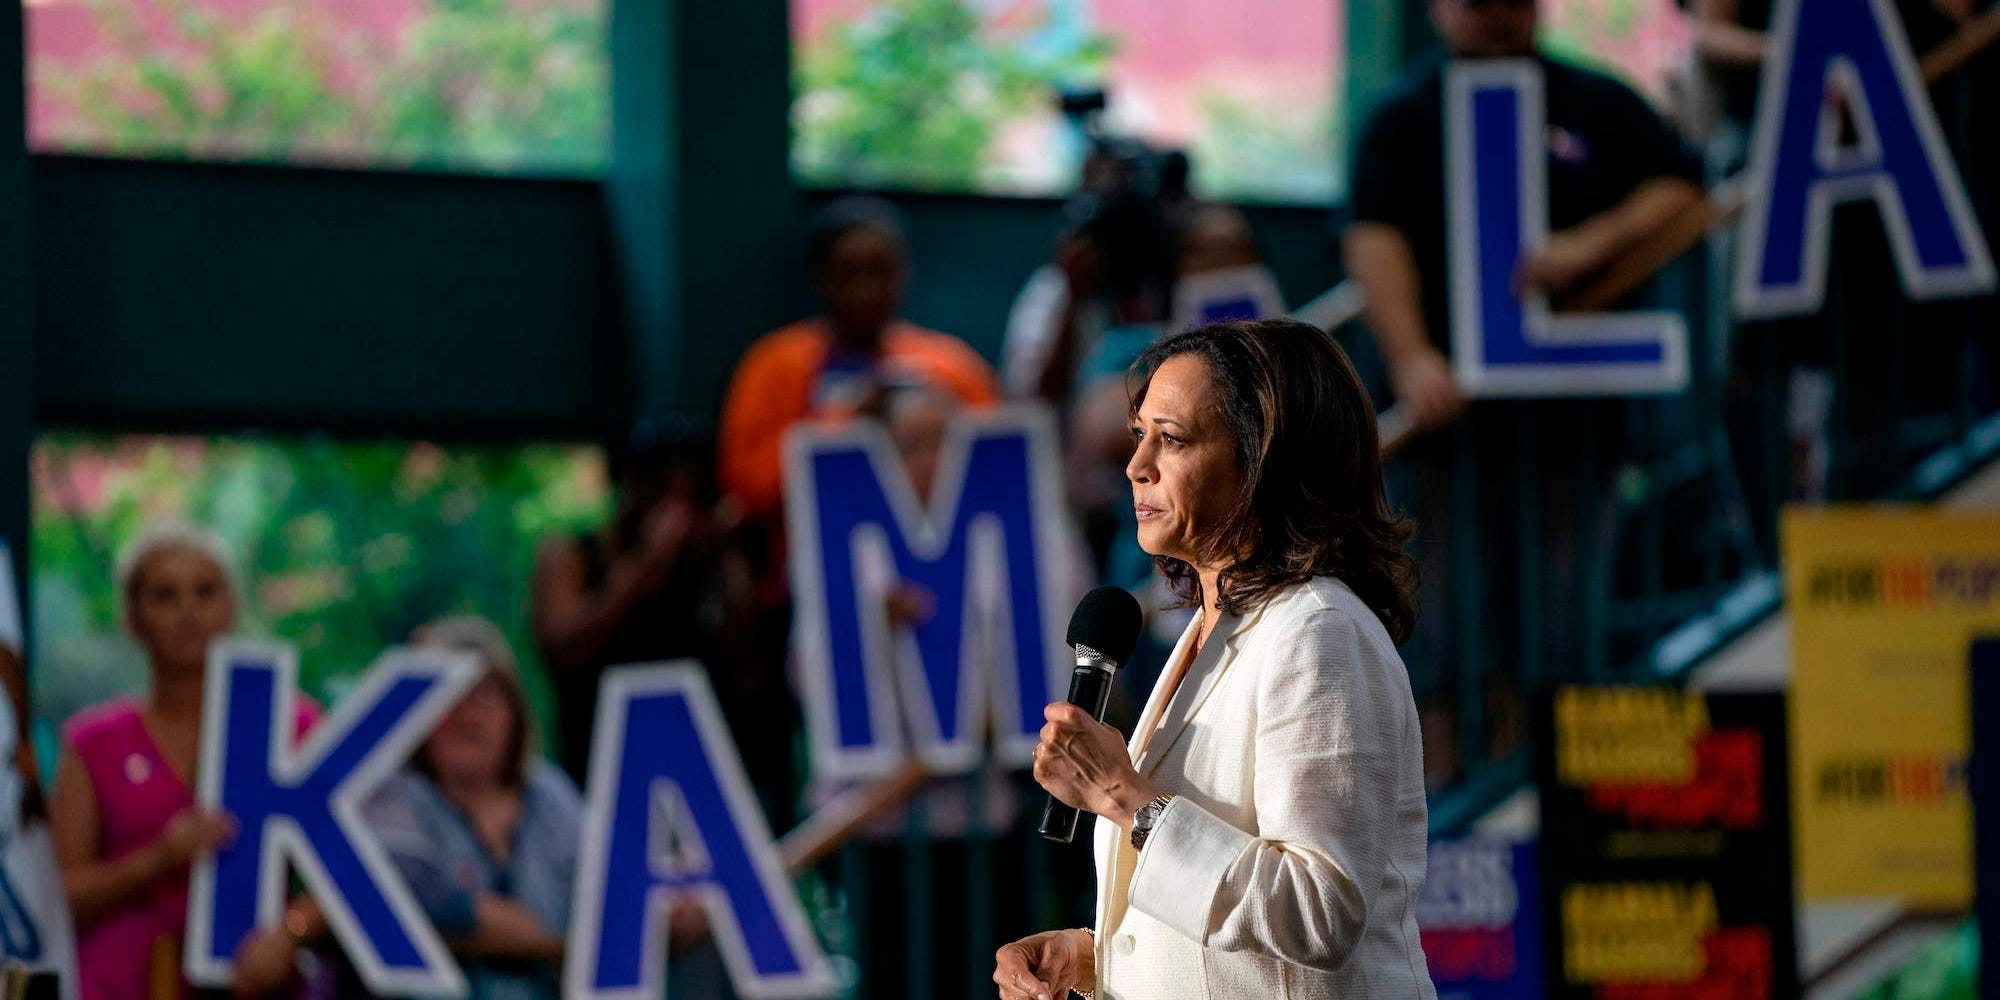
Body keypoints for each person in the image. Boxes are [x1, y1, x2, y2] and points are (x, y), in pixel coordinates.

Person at [994, 319, 1434, 1000]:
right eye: (1139, 435)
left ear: (1264, 462)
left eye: (1171, 439)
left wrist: (1122, 796)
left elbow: (1319, 913)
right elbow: (1224, 922)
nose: (1137, 465)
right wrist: (1093, 959)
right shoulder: (1212, 631)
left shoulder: (1318, 631)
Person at [1341, 0, 1706, 775]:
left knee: (1559, 637)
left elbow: (1680, 187)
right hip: (1447, 434)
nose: (1494, 15)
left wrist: (1587, 247)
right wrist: (1411, 358)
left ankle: (1533, 808)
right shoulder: (1404, 117)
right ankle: (1447, 825)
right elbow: (1375, 240)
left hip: (1572, 423)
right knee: (1435, 634)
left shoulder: (1597, 102)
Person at [48, 523, 316, 1000]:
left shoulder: (293, 724)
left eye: (206, 591)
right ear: (133, 618)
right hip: (118, 984)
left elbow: (363, 870)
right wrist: (159, 859)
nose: (189, 611)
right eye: (165, 595)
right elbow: (57, 898)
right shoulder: (94, 742)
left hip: (258, 982)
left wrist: (293, 931)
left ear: (232, 605)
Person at [328, 616, 582, 1000]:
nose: (467, 712)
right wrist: (556, 944)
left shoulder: (552, 793)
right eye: (448, 696)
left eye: (485, 693)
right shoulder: (391, 792)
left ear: (514, 711)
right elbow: (411, 898)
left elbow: (606, 887)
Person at [717, 197, 1001, 524]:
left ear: (903, 274)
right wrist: (849, 418)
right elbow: (747, 488)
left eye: (879, 271)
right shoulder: (777, 364)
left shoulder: (950, 365)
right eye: (848, 273)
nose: (865, 290)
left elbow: (1000, 466)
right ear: (819, 279)